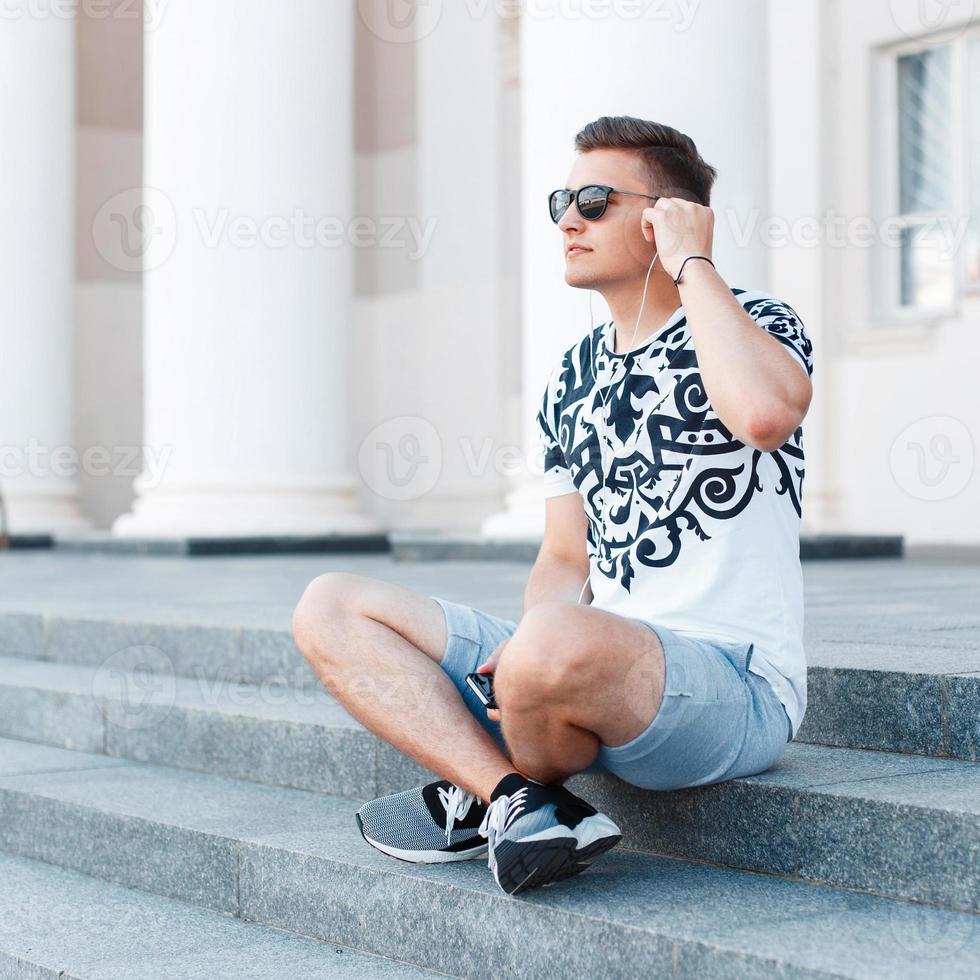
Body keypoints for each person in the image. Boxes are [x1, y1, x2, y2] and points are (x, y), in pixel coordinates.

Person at [291, 114, 814, 897]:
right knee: (329, 605)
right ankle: (516, 803)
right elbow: (566, 557)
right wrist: (534, 636)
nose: (569, 219)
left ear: (661, 214)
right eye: (561, 202)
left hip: (735, 685)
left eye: (596, 200)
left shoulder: (753, 323)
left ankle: (474, 781)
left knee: (553, 641)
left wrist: (693, 260)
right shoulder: (570, 376)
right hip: (584, 650)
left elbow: (765, 416)